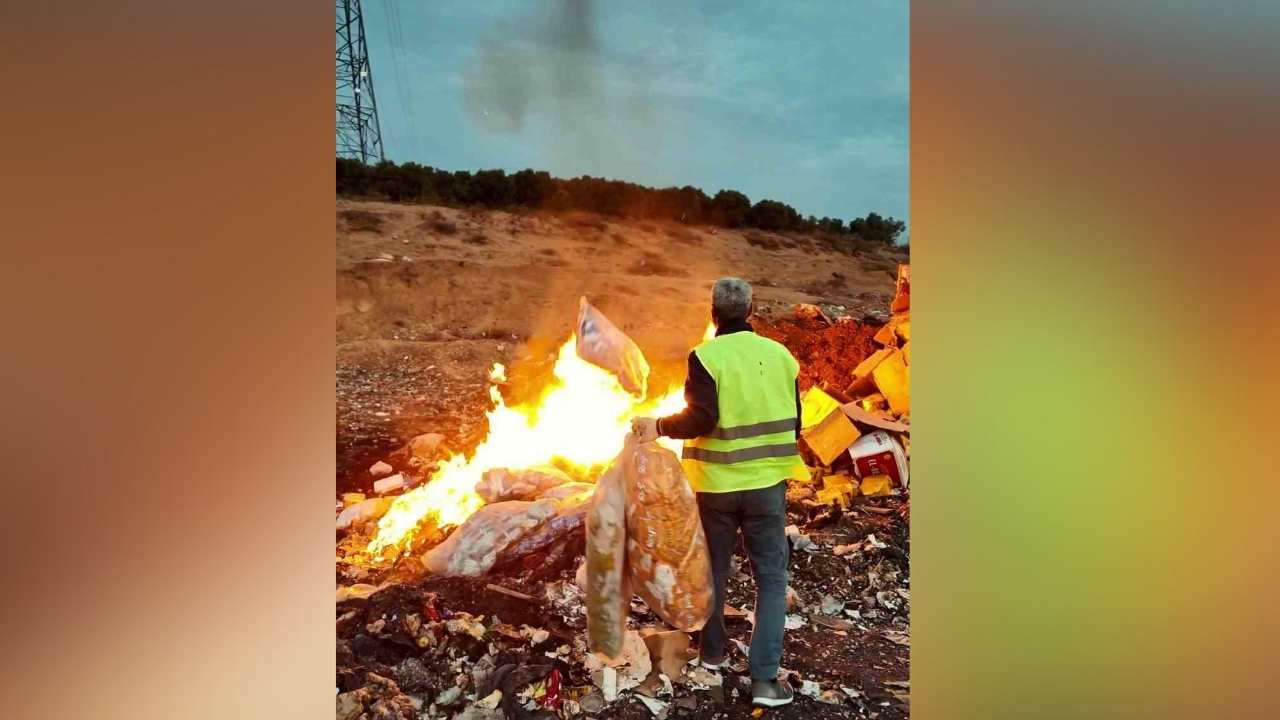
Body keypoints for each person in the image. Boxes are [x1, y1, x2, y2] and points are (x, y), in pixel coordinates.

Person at [632, 277, 804, 708]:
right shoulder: (781, 356)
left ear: (713, 313)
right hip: (767, 486)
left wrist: (656, 426)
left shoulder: (706, 356)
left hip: (717, 488)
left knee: (714, 571)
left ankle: (711, 653)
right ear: (752, 310)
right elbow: (796, 421)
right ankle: (764, 682)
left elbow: (701, 418)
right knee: (771, 580)